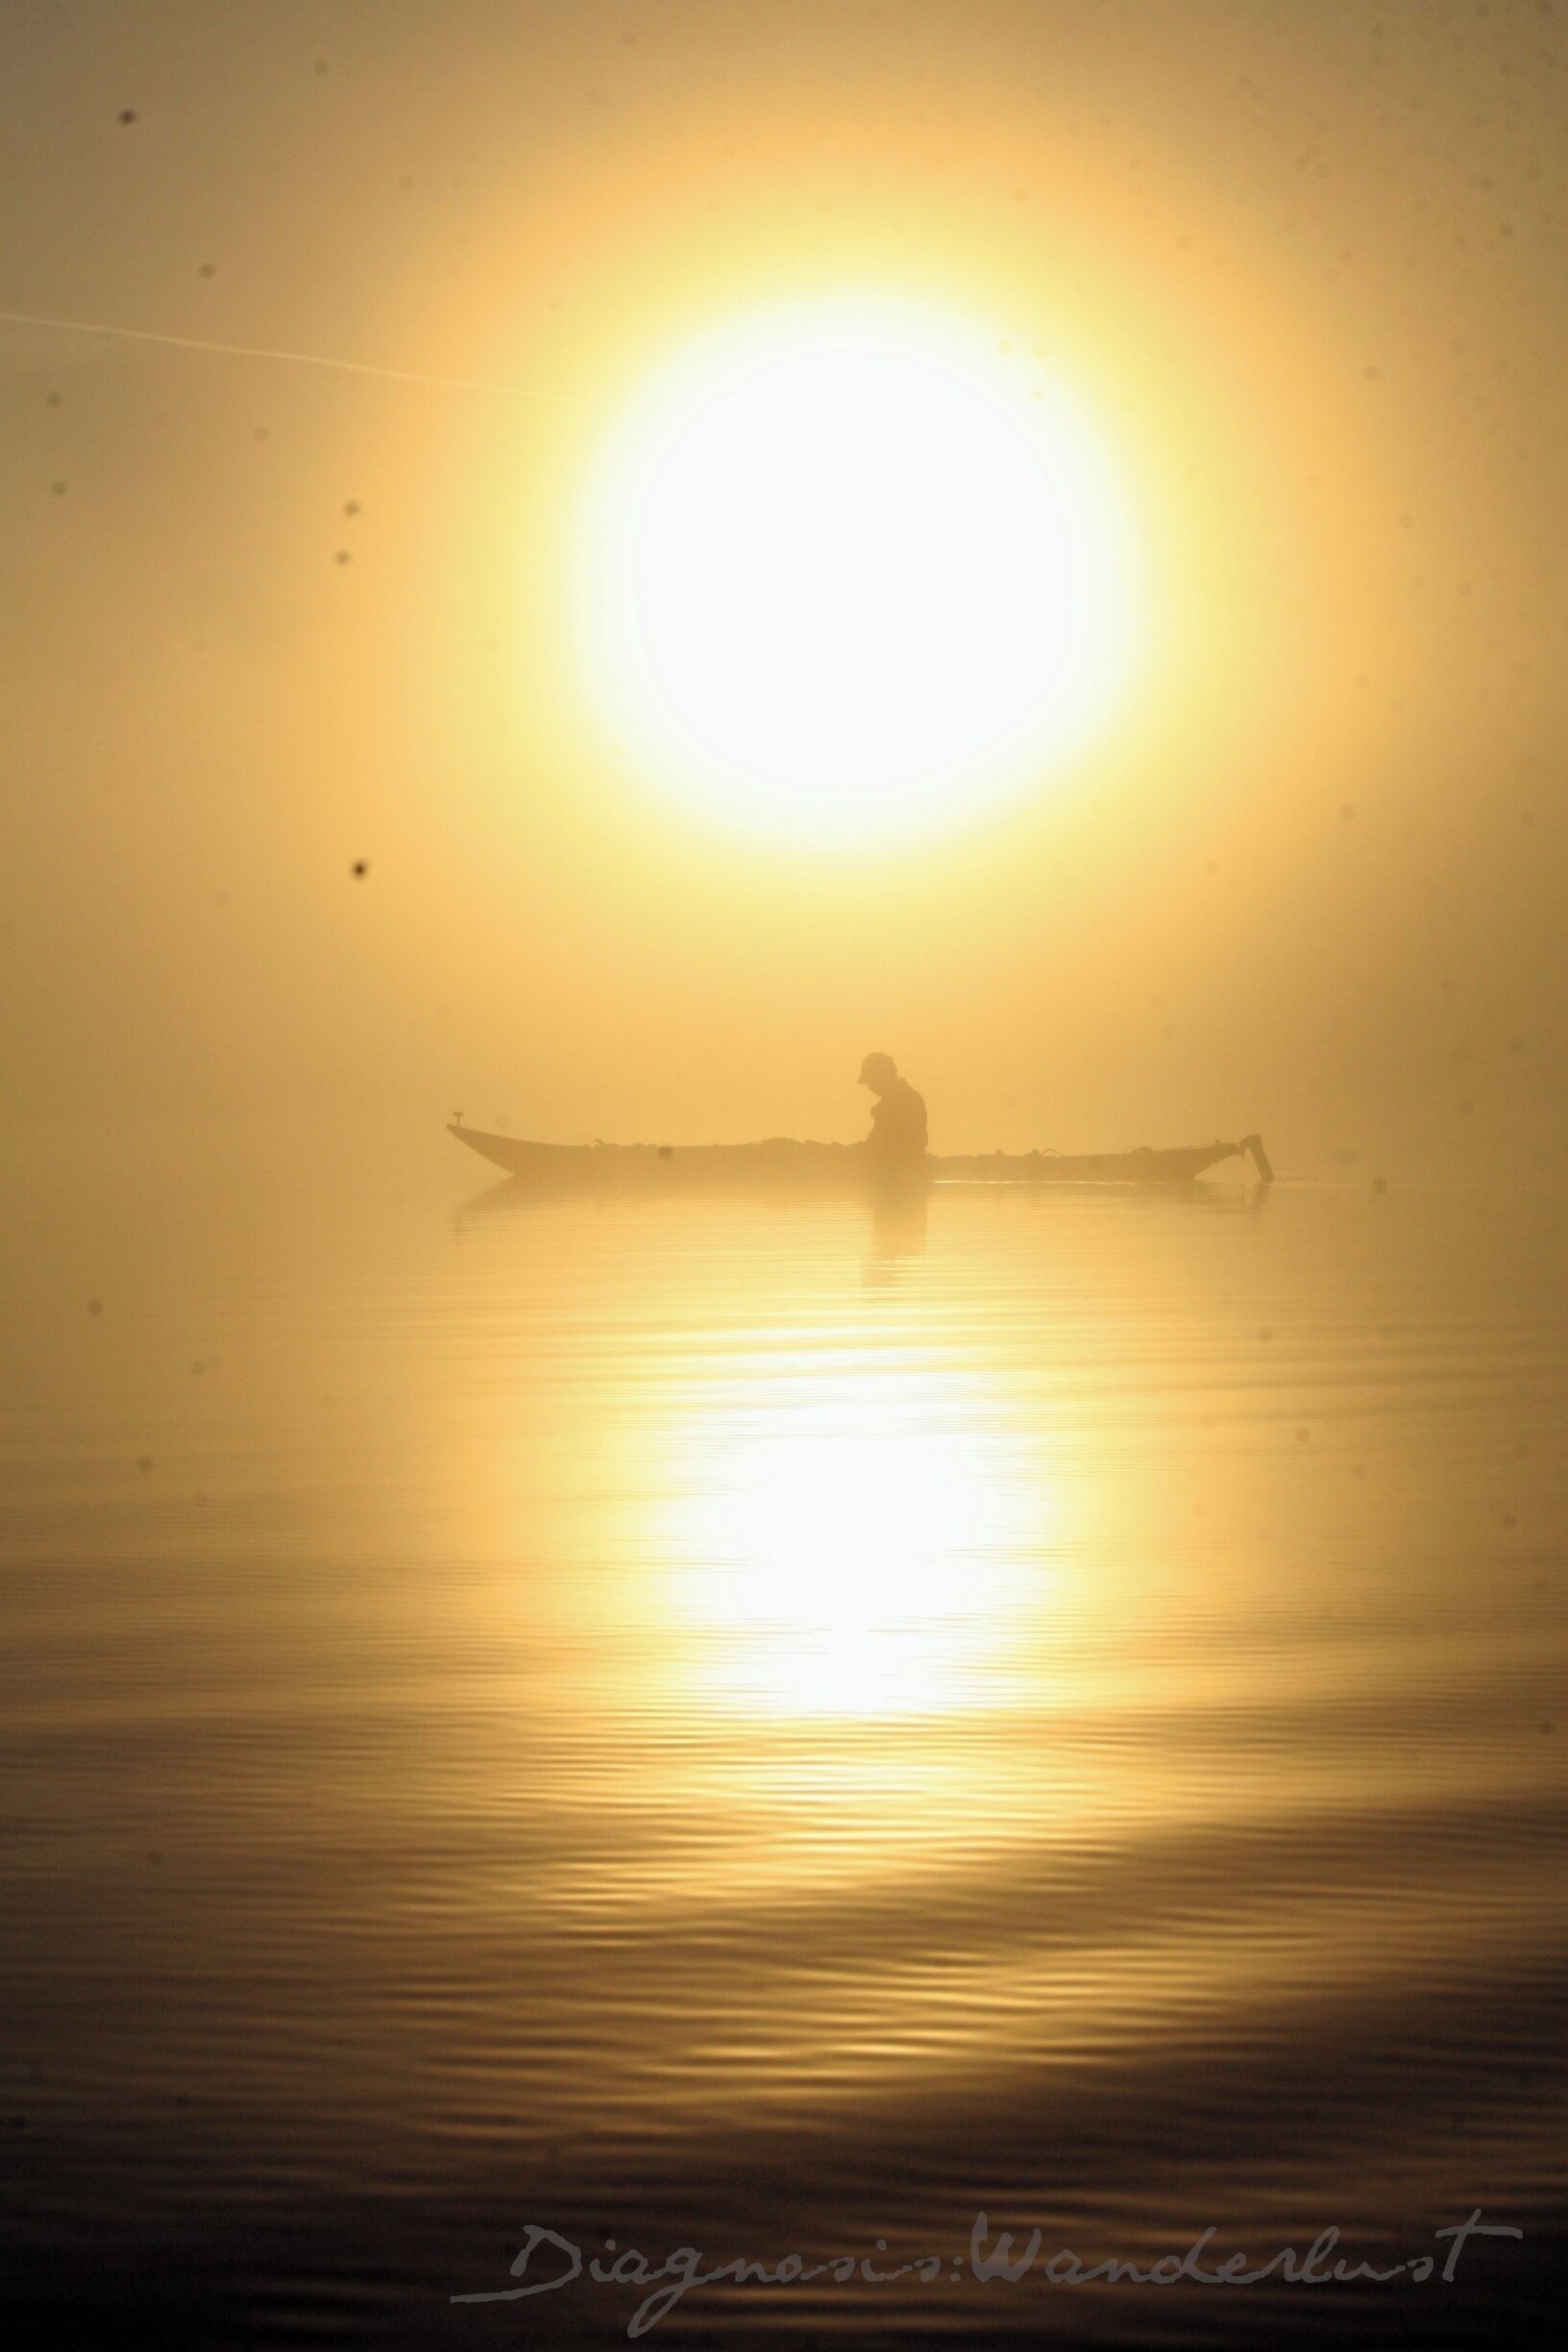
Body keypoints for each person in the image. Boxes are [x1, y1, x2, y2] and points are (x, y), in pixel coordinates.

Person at [858, 1051, 927, 1162]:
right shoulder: (902, 1097)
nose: (870, 1087)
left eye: (870, 1081)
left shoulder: (898, 1101)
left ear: (881, 1076)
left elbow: (882, 1143)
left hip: (898, 1165)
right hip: (904, 1161)